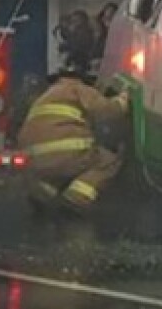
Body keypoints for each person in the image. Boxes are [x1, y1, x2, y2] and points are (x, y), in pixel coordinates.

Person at [16, 63, 129, 215]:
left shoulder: (46, 95)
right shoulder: (76, 88)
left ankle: (44, 198)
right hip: (65, 154)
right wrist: (122, 100)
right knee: (108, 161)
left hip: (34, 159)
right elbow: (107, 111)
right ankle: (75, 200)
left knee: (53, 174)